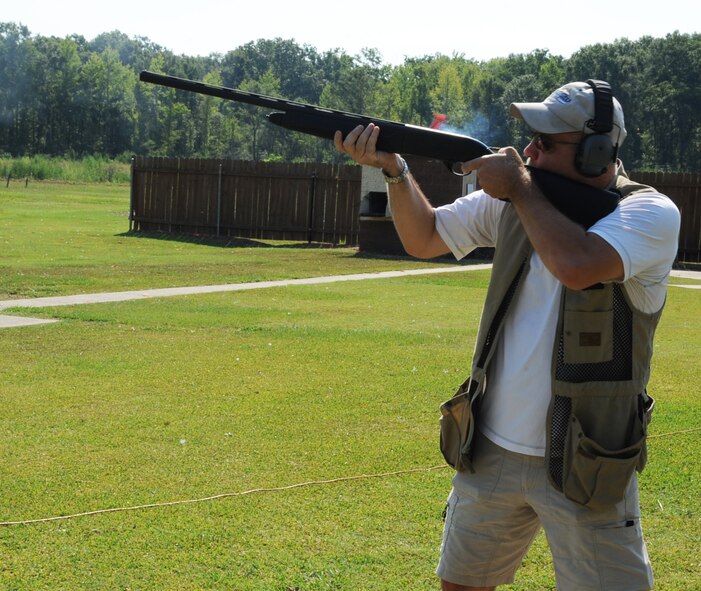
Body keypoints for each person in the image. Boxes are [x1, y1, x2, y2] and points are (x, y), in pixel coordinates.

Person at [334, 80, 680, 591]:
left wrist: (518, 187)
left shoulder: (648, 213)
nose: (530, 149)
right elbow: (424, 237)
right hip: (490, 444)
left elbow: (578, 265)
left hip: (587, 457)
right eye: (531, 138)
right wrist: (396, 171)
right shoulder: (516, 199)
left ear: (597, 153)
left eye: (546, 141)